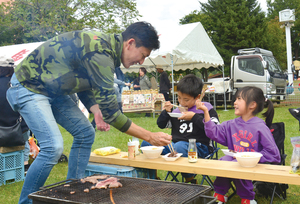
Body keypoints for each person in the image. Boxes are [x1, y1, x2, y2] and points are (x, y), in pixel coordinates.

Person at [6, 21, 172, 204]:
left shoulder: (107, 51)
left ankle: (74, 194)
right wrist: (149, 136)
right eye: (142, 55)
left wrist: (95, 108)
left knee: (85, 133)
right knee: (53, 147)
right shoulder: (101, 52)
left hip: (53, 90)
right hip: (28, 85)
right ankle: (25, 202)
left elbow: (81, 80)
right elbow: (112, 114)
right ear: (130, 43)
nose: (141, 62)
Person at [196, 86, 281, 204]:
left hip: (255, 163)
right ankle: (219, 195)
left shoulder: (260, 127)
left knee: (238, 164)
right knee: (224, 161)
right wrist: (205, 112)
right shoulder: (231, 124)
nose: (234, 102)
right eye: (235, 99)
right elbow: (213, 133)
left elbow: (274, 154)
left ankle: (247, 198)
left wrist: (251, 157)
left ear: (252, 105)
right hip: (234, 159)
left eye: (239, 99)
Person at [141, 74, 219, 183]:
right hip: (175, 147)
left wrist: (194, 117)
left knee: (180, 146)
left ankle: (190, 179)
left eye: (186, 100)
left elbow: (215, 130)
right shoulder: (178, 110)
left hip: (200, 147)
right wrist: (166, 112)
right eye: (179, 98)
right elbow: (162, 124)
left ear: (198, 97)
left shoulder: (206, 109)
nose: (182, 102)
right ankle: (152, 177)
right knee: (147, 144)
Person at [0, 56, 30, 172]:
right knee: (25, 140)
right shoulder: (19, 84)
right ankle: (24, 165)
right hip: (19, 129)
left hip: (1, 130)